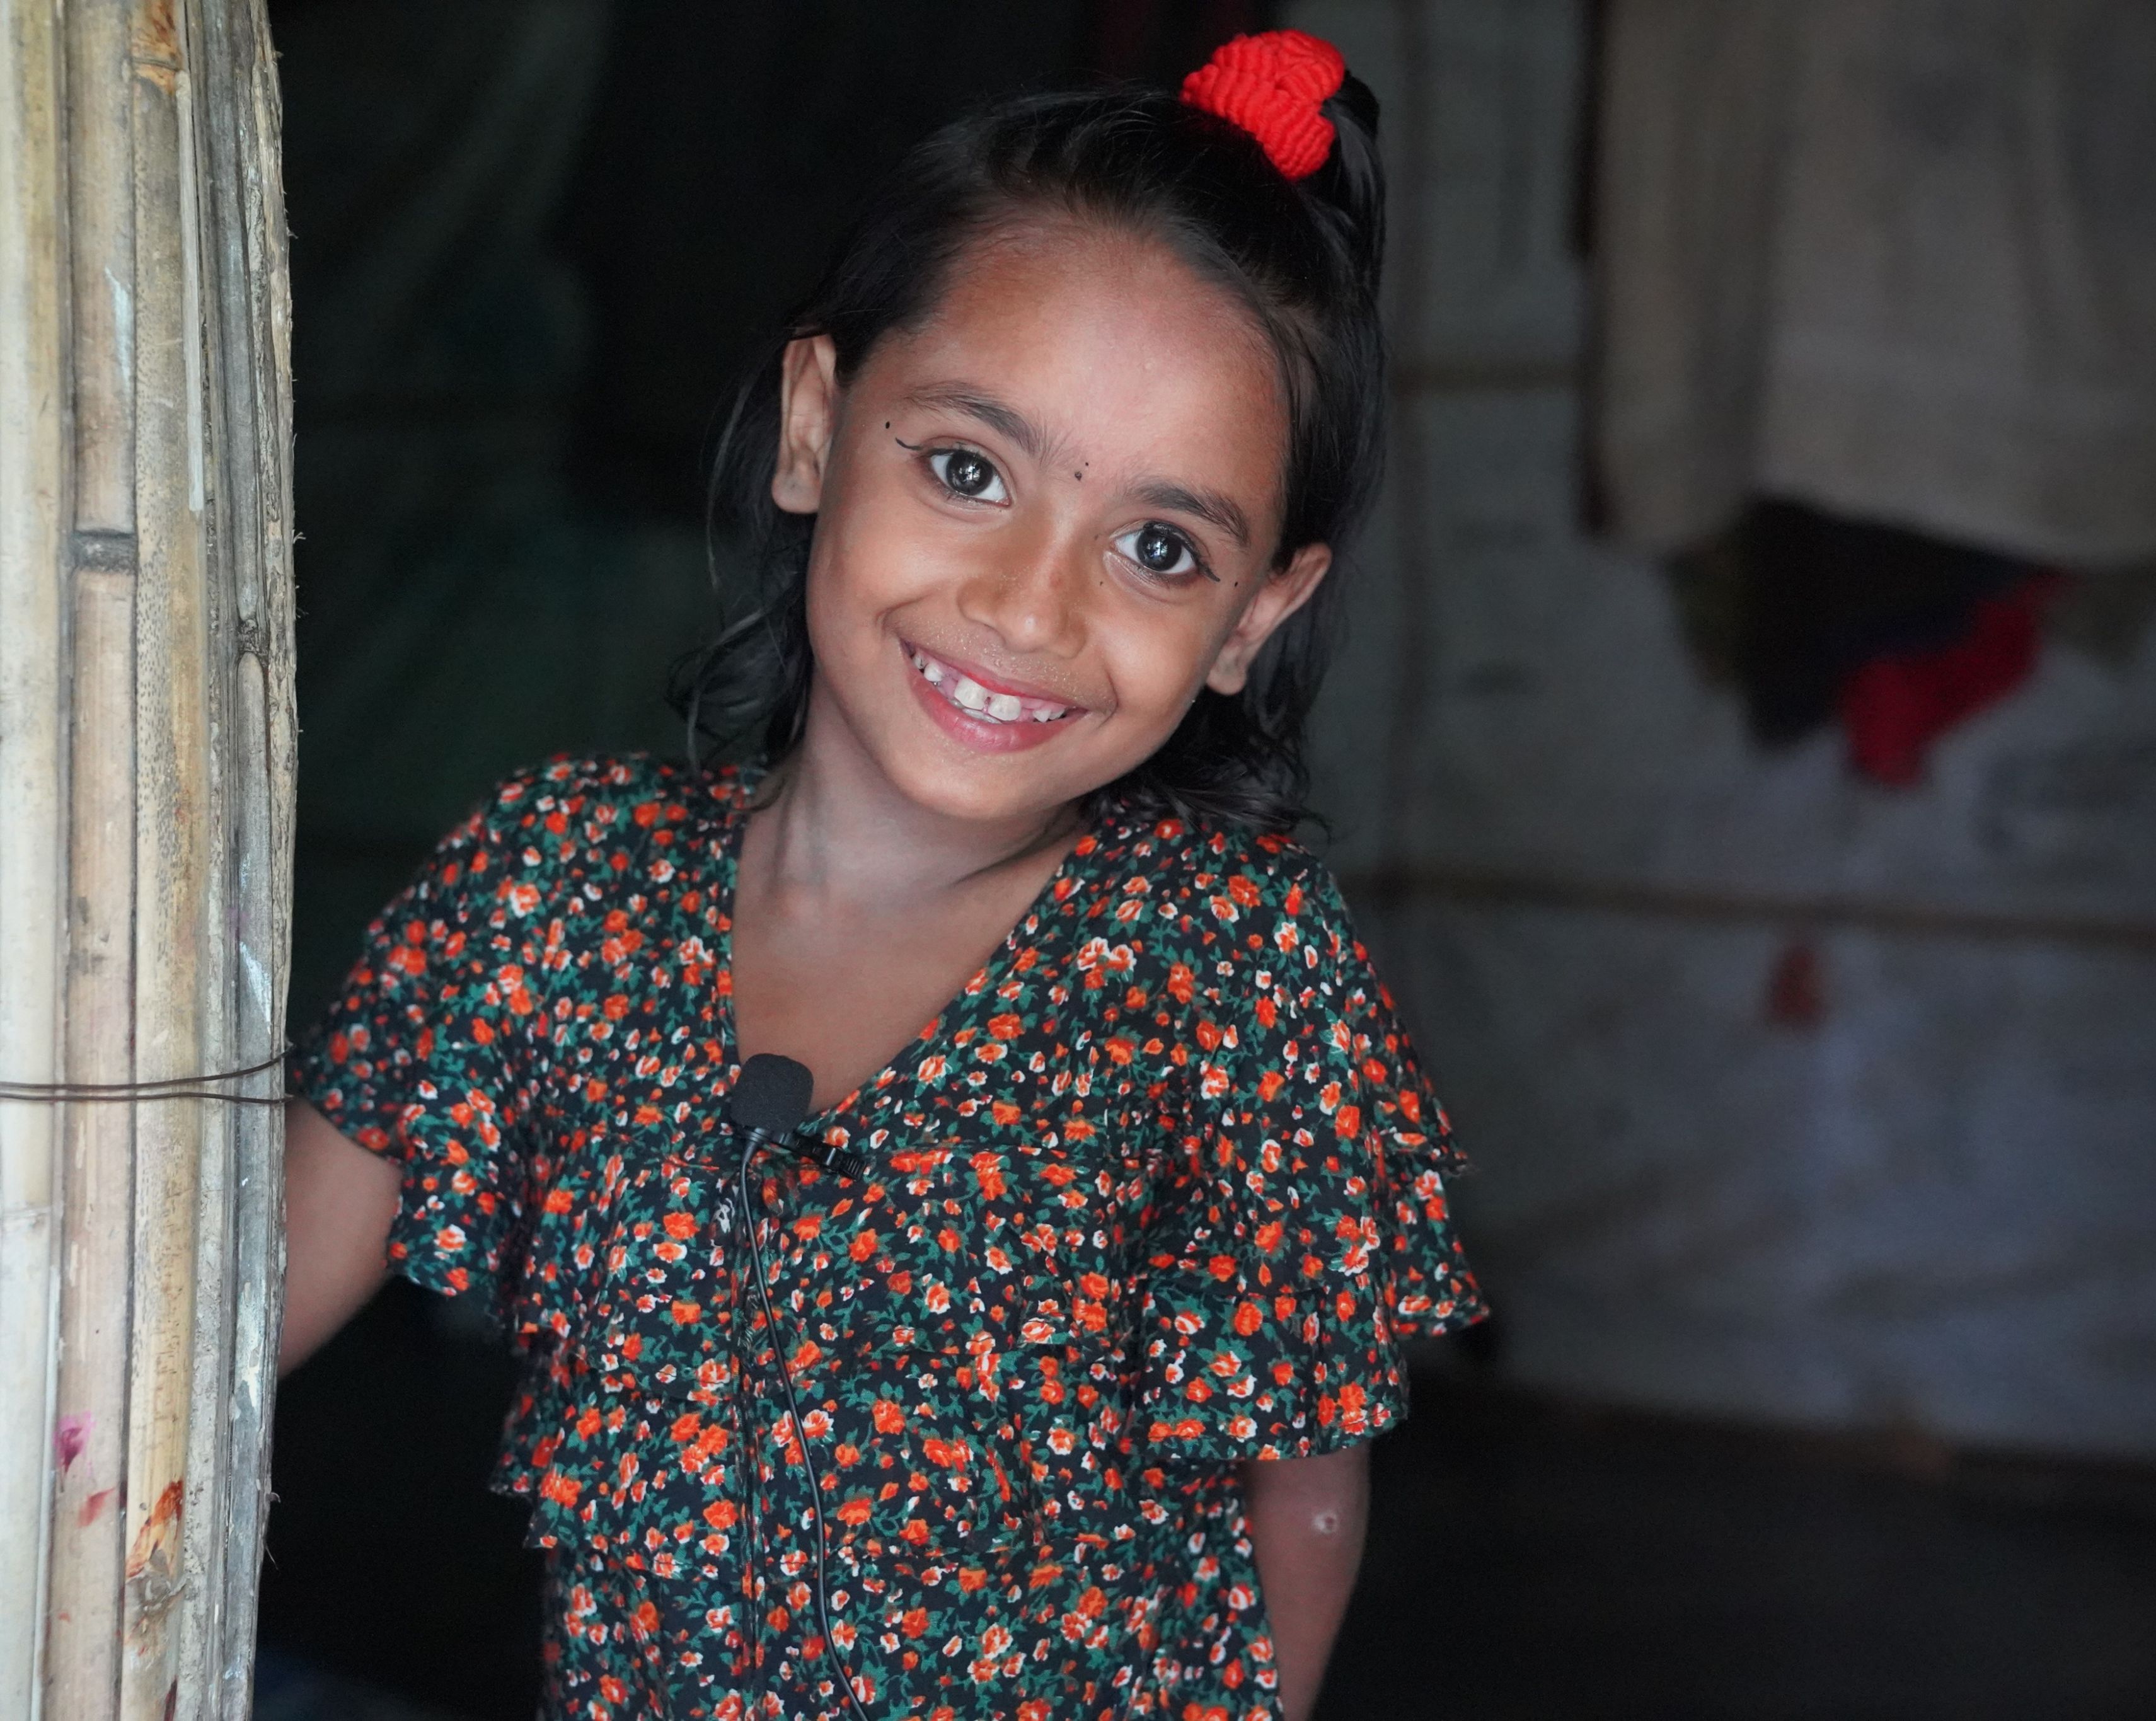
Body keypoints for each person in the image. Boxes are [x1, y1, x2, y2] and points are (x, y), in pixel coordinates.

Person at [276, 28, 1483, 1721]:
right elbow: (217, 1307)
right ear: (813, 427)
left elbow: (1305, 1492)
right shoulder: (552, 895)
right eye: (968, 469)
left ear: (1253, 621)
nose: (1029, 606)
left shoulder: (1225, 972)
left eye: (1158, 547)